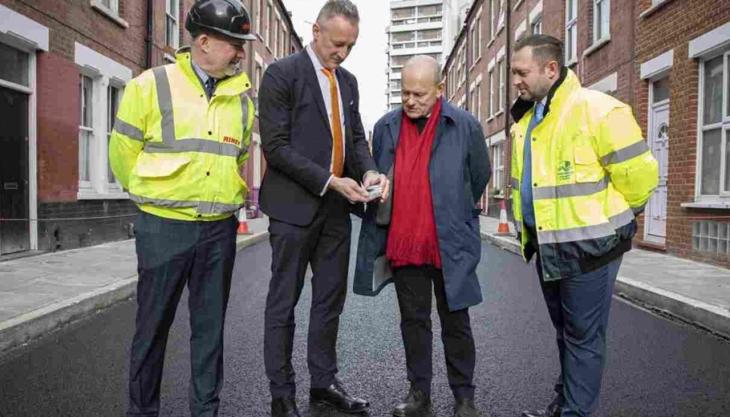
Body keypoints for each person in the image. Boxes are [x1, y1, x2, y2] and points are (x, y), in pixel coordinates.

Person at [108, 0, 256, 415]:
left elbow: (239, 156)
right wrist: (153, 199)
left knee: (210, 335)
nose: (240, 52)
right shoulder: (150, 85)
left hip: (218, 231)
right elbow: (122, 154)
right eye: (234, 43)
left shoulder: (242, 100)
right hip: (163, 227)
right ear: (204, 42)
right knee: (151, 331)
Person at [509, 35, 659, 417]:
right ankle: (564, 406)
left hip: (591, 250)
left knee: (582, 339)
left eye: (521, 72)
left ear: (551, 69)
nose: (515, 81)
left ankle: (575, 412)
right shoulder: (529, 120)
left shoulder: (599, 110)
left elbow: (641, 178)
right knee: (567, 334)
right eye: (513, 73)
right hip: (548, 247)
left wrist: (617, 224)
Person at [257, 1, 388, 416]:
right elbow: (276, 148)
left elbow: (355, 140)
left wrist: (368, 172)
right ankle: (282, 395)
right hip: (294, 209)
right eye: (337, 44)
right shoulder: (281, 75)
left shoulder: (347, 82)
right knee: (284, 302)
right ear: (316, 31)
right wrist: (330, 180)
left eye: (350, 46)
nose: (342, 54)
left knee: (330, 301)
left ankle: (323, 382)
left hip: (335, 213)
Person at [354, 55, 490, 417]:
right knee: (414, 322)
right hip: (404, 243)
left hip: (449, 243)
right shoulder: (385, 127)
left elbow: (478, 176)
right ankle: (419, 394)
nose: (410, 101)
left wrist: (449, 210)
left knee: (455, 322)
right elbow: (376, 170)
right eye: (405, 93)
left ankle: (464, 397)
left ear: (440, 90)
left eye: (419, 94)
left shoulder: (464, 126)